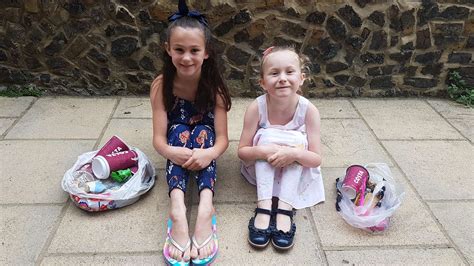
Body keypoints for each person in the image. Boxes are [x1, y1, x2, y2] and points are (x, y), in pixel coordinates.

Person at [149, 0, 231, 265]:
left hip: (205, 144)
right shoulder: (161, 86)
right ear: (168, 50)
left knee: (204, 132)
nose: (186, 57)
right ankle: (177, 209)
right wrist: (169, 151)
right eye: (179, 50)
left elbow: (222, 139)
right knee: (179, 129)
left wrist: (210, 154)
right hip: (178, 143)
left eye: (194, 50)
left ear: (206, 52)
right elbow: (159, 139)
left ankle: (206, 207)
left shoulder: (214, 87)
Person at [238, 46, 325, 251]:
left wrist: (294, 153)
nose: (282, 78)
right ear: (262, 82)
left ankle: (285, 208)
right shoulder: (256, 107)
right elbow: (242, 151)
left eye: (289, 72)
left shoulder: (309, 110)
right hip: (264, 168)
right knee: (266, 136)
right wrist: (264, 151)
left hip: (295, 170)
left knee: (297, 142)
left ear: (301, 78)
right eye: (274, 73)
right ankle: (264, 206)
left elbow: (316, 158)